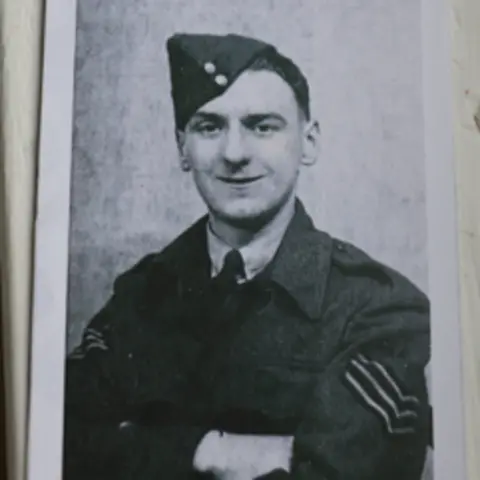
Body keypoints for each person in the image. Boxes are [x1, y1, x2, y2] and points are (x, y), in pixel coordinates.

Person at [63, 32, 431, 480]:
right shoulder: (141, 293)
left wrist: (141, 445)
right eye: (209, 126)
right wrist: (218, 451)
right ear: (183, 147)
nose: (234, 153)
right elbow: (55, 443)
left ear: (309, 142)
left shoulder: (379, 308)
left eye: (262, 126)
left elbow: (339, 472)